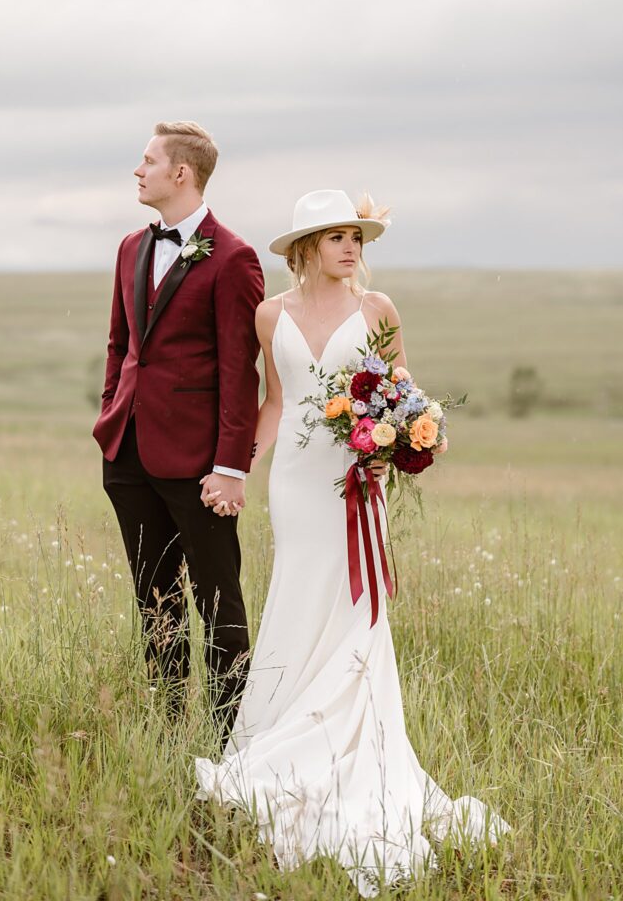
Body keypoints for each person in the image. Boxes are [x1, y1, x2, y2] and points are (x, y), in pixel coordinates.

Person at [195, 189, 510, 895]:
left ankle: (350, 736)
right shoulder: (268, 314)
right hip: (296, 483)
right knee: (296, 594)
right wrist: (236, 468)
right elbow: (276, 402)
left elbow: (399, 387)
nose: (350, 249)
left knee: (350, 604)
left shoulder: (377, 310)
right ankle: (283, 724)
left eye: (356, 238)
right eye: (336, 237)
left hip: (353, 479)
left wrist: (404, 437)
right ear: (305, 248)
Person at [92, 121, 264, 742]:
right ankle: (167, 732)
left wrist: (230, 466)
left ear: (181, 173)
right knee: (153, 601)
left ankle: (229, 741)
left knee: (218, 601)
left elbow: (240, 374)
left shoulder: (235, 258)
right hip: (128, 453)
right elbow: (120, 344)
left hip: (199, 465)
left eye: (148, 161)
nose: (138, 171)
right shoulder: (130, 248)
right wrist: (110, 412)